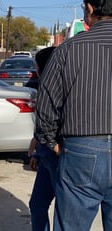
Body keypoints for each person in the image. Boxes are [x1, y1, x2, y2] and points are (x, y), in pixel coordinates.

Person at [35, 0, 112, 230]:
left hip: (82, 150)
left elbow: (45, 106)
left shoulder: (69, 49)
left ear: (89, 8)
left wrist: (52, 142)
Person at [26, 46, 58, 231]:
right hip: (46, 155)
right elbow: (42, 122)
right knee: (37, 204)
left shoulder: (61, 87)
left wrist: (54, 147)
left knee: (64, 211)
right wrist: (38, 152)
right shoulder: (44, 87)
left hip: (58, 156)